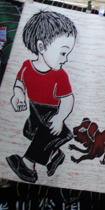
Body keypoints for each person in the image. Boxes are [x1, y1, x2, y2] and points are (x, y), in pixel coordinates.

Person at [7, 11, 78, 183]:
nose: (65, 59)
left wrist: (60, 117)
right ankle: (55, 155)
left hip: (50, 114)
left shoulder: (60, 75)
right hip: (35, 110)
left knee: (43, 137)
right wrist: (18, 95)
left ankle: (28, 166)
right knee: (30, 132)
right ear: (41, 47)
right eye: (63, 53)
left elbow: (68, 99)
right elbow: (19, 83)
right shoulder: (26, 66)